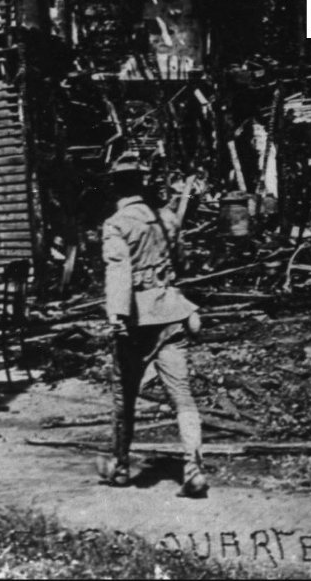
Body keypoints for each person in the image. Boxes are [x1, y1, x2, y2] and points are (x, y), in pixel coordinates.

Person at [96, 153, 208, 498]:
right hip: (172, 312)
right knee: (182, 396)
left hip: (136, 319)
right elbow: (183, 261)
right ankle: (193, 468)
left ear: (115, 186)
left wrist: (116, 315)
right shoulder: (167, 219)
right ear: (142, 183)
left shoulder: (116, 223)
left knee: (124, 395)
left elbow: (118, 270)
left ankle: (121, 467)